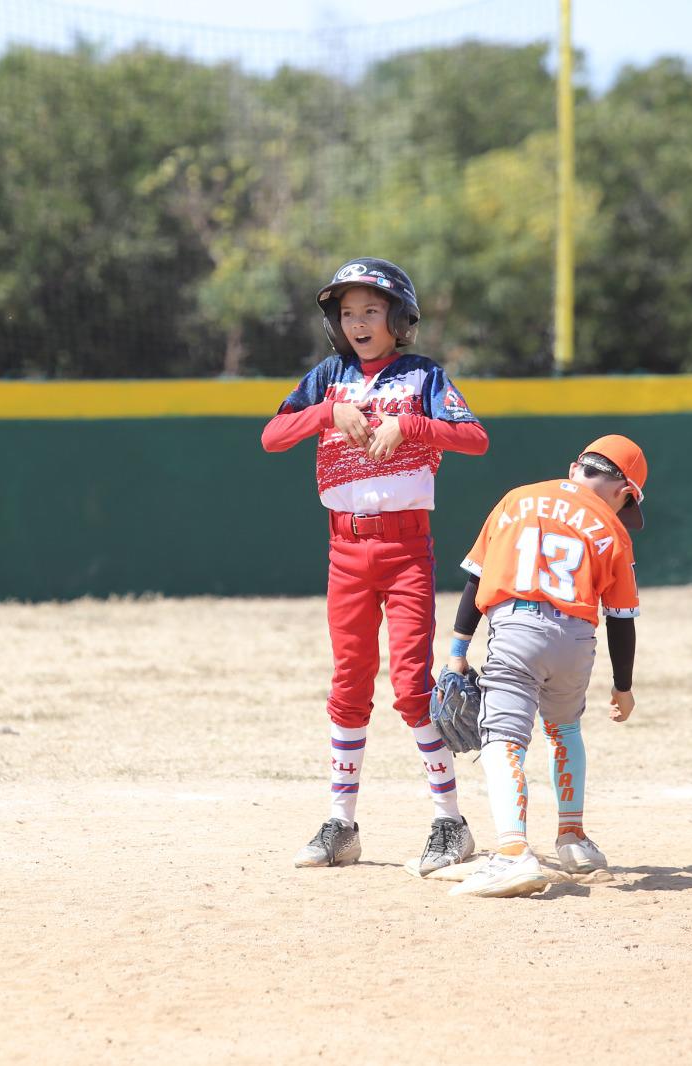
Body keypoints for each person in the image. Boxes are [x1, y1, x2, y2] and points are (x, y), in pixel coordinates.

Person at [262, 257, 487, 874]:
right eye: (347, 312)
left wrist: (411, 426)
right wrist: (326, 414)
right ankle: (341, 823)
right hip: (344, 550)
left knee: (412, 684)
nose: (357, 321)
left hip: (407, 548)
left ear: (399, 317)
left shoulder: (423, 376)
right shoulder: (328, 377)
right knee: (349, 683)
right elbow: (272, 436)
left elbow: (475, 438)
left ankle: (450, 823)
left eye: (371, 310)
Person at [442, 435, 648, 899]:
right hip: (576, 638)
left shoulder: (517, 499)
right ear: (623, 490)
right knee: (565, 729)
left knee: (503, 743)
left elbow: (476, 578)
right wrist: (623, 686)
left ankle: (513, 855)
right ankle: (572, 839)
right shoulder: (611, 529)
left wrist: (458, 649)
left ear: (577, 467)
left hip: (517, 629)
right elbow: (621, 618)